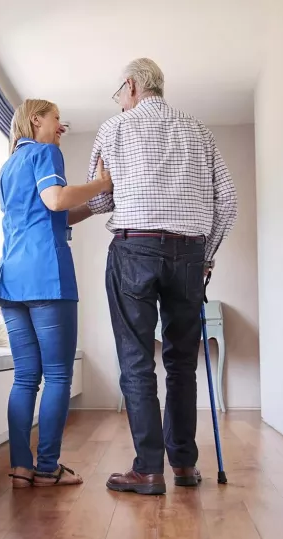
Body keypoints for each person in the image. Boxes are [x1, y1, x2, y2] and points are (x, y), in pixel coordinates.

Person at [85, 58, 238, 495]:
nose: (119, 102)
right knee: (182, 363)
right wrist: (204, 255)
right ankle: (185, 467)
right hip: (189, 252)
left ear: (131, 87)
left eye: (119, 94)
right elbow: (227, 202)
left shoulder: (114, 129)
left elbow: (98, 200)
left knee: (136, 360)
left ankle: (149, 470)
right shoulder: (199, 131)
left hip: (134, 247)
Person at [0, 99, 112, 488]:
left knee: (25, 377)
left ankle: (21, 466)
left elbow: (53, 212)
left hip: (11, 278)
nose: (61, 127)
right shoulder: (46, 153)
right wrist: (102, 184)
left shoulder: (8, 167)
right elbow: (56, 200)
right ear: (36, 119)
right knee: (58, 374)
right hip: (46, 275)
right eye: (57, 119)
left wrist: (93, 206)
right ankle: (47, 468)